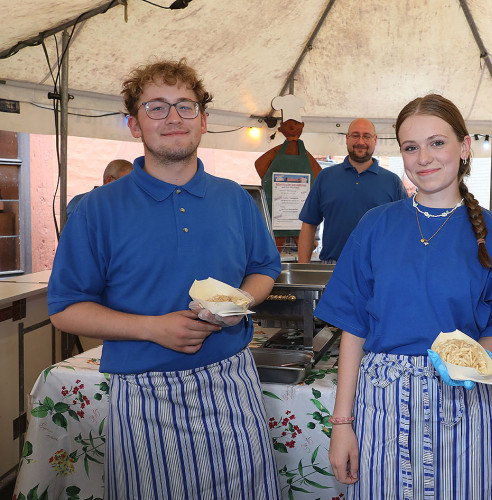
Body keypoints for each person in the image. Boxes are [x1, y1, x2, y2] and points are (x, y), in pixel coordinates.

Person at [47, 59, 282, 499]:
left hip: (232, 382)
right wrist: (152, 328)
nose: (173, 118)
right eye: (155, 107)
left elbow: (264, 268)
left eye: (185, 106)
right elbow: (65, 309)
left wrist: (239, 305)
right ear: (135, 125)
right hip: (143, 392)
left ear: (204, 121)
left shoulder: (236, 199)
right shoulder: (97, 210)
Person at [314, 94, 492, 498]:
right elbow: (353, 326)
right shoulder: (375, 225)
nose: (424, 157)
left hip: (462, 404)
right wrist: (341, 425)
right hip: (381, 405)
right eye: (411, 147)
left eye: (437, 143)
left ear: (464, 147)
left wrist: (475, 358)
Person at [297, 118, 407, 263]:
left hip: (377, 267)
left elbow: (405, 229)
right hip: (333, 267)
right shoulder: (325, 177)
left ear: (375, 140)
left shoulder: (392, 182)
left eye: (366, 136)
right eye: (355, 135)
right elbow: (309, 224)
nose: (360, 141)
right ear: (347, 139)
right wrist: (303, 269)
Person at [254, 118, 322, 253]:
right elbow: (259, 165)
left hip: (300, 231)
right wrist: (269, 181)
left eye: (296, 125)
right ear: (280, 129)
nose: (293, 128)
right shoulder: (276, 152)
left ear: (302, 126)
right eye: (289, 125)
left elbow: (318, 175)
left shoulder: (305, 155)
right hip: (276, 232)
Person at [66, 159, 133, 217]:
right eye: (124, 184)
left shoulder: (126, 206)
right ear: (108, 180)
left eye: (131, 185)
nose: (128, 190)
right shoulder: (80, 203)